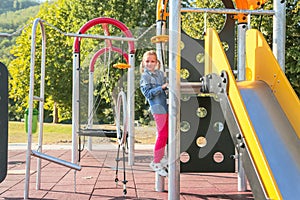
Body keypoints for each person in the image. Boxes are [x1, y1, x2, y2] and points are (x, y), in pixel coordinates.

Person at [140, 50, 169, 177]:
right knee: (162, 134)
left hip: (166, 107)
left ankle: (161, 157)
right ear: (143, 63)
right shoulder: (145, 77)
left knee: (166, 134)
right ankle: (156, 161)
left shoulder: (160, 74)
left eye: (152, 61)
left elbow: (167, 83)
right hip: (157, 108)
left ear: (157, 62)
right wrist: (162, 87)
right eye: (147, 61)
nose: (150, 64)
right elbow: (148, 94)